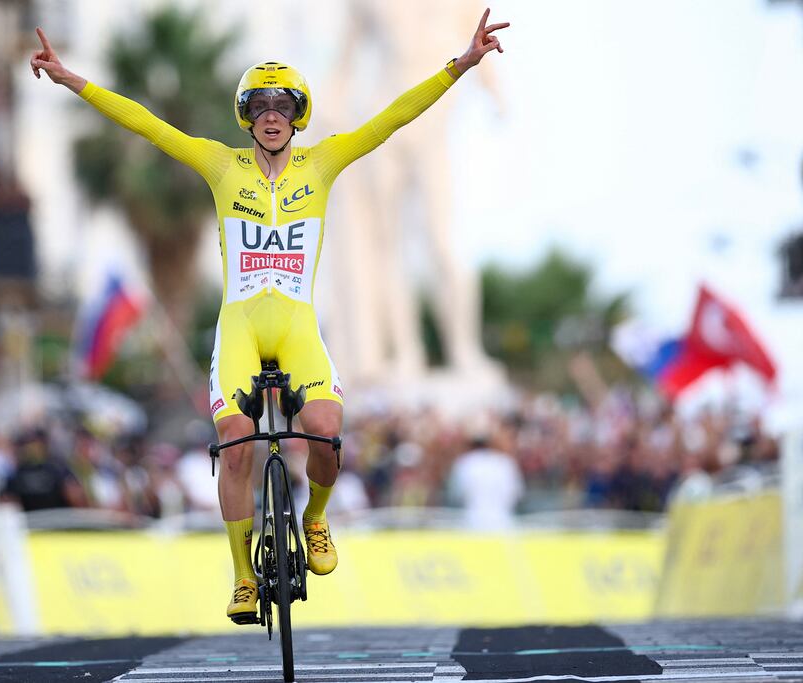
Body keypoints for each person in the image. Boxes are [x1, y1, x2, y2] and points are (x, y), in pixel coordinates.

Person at [31, 8, 509, 623]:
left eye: (282, 107)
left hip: (298, 326)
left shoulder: (324, 163)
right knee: (235, 445)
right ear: (247, 117)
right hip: (240, 327)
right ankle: (240, 576)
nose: (272, 117)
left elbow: (393, 117)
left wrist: (461, 65)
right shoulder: (221, 166)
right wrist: (74, 80)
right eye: (260, 107)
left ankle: (314, 519)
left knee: (327, 429)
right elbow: (148, 125)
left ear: (298, 115)